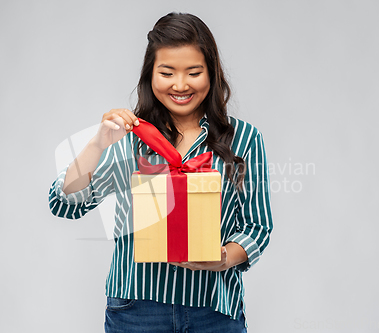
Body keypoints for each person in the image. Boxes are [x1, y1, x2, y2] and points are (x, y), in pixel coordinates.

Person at [48, 12, 273, 333]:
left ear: (211, 74)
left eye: (193, 72)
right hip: (136, 308)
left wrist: (223, 258)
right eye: (167, 72)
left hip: (213, 308)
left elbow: (258, 226)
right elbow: (65, 203)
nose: (180, 85)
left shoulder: (244, 139)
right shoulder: (130, 135)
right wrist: (97, 144)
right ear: (150, 76)